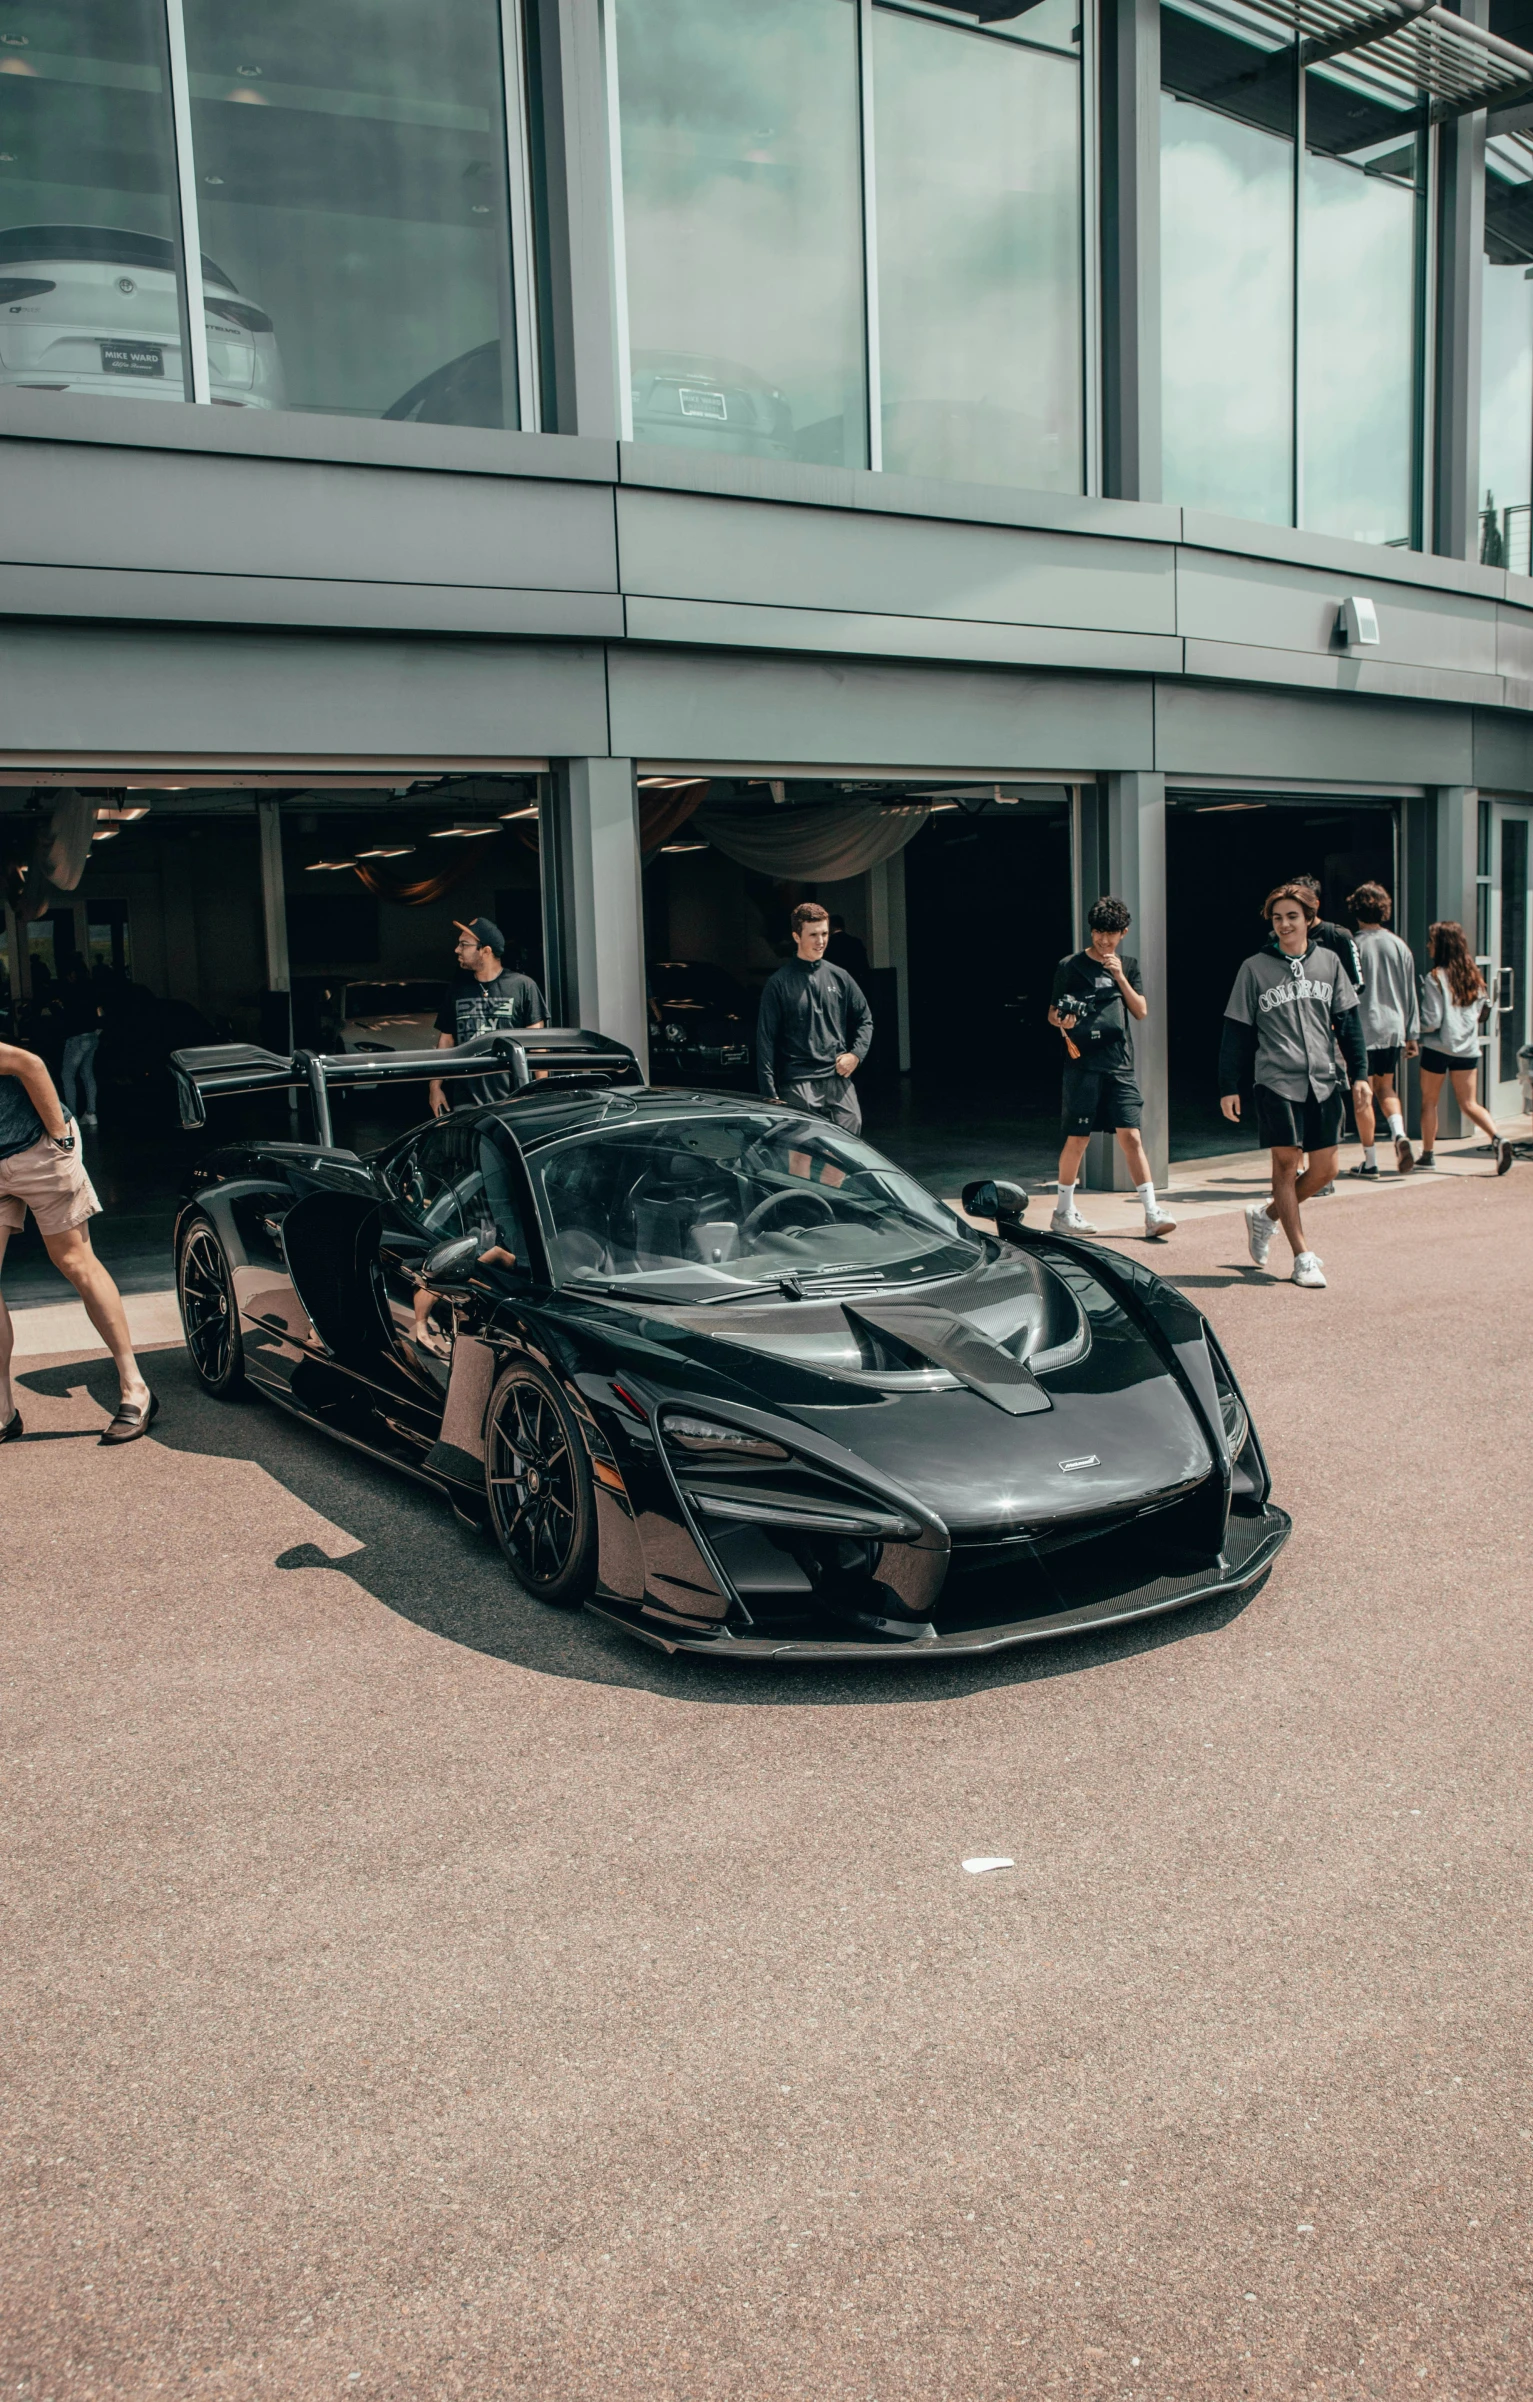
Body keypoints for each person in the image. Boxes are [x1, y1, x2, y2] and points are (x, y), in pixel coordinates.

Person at [0, 1037, 156, 1442]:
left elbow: (28, 1062)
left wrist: (61, 1138)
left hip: (38, 1147)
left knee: (74, 1261)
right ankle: (3, 1411)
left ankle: (135, 1389)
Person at [1219, 883, 1370, 1290]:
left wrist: (1360, 1075)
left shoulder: (1330, 962)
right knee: (1286, 1165)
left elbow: (1349, 1024)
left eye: (1292, 917)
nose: (1284, 924)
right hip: (1276, 1080)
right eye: (1277, 917)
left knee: (1325, 1170)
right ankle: (1303, 1256)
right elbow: (1236, 1029)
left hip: (1323, 1079)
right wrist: (1227, 1084)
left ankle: (1265, 1216)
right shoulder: (1255, 967)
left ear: (1309, 919)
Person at [1046, 896, 1175, 1239]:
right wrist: (1064, 1018)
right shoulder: (1069, 966)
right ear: (1091, 931)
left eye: (1112, 933)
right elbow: (1051, 1014)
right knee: (1077, 1139)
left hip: (1120, 1065)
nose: (1104, 940)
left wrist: (1120, 977)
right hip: (1082, 1066)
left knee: (1131, 1136)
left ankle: (1151, 1212)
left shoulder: (1128, 965)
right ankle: (1063, 1212)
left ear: (1124, 933)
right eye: (1099, 932)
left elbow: (1141, 1010)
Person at [757, 900, 872, 1134]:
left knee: (848, 1146)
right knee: (802, 1152)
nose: (821, 941)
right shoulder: (778, 983)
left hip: (837, 1076)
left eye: (824, 933)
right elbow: (765, 1040)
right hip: (797, 1081)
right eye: (813, 935)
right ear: (797, 936)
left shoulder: (840, 977)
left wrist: (856, 1055)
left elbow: (865, 1018)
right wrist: (769, 1094)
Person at [1416, 921, 1512, 1174]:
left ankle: (1427, 1155)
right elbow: (1480, 1013)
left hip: (1438, 1048)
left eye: (1432, 941)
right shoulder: (1474, 978)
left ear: (1442, 946)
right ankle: (1498, 1138)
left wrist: (1414, 1025)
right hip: (1467, 1049)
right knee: (1469, 1103)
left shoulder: (1435, 978)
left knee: (1429, 1102)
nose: (1428, 946)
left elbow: (1432, 1020)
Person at [428, 917, 545, 1117]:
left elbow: (538, 1044)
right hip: (466, 1098)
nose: (457, 950)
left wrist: (539, 1091)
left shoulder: (523, 986)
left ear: (486, 951)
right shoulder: (457, 989)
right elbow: (446, 1039)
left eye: (464, 944)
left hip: (513, 1095)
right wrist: (434, 1087)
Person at [1345, 880, 1419, 1178]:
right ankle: (1399, 1133)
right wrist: (1411, 1033)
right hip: (1392, 1027)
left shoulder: (1353, 945)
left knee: (1363, 1092)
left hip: (1362, 1028)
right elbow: (1409, 991)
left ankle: (1371, 1159)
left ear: (1356, 910)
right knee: (1386, 1086)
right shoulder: (1399, 945)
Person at [59, 962, 103, 1130]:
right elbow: (100, 1011)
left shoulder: (70, 991)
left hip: (76, 1038)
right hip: (92, 1036)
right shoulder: (91, 989)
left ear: (71, 974)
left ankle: (72, 1116)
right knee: (87, 1074)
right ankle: (91, 1113)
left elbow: (66, 1015)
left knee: (67, 1076)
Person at [825, 914, 872, 984]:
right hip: (854, 981)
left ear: (830, 926)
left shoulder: (827, 944)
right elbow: (864, 966)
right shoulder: (855, 942)